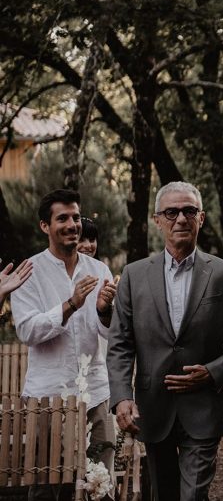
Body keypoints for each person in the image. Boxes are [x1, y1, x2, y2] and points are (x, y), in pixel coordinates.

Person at [106, 181, 223, 501]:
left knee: (192, 496)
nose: (181, 219)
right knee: (164, 494)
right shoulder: (133, 275)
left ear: (201, 218)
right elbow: (120, 343)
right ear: (157, 219)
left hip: (203, 407)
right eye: (171, 212)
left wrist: (214, 371)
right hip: (153, 406)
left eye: (189, 211)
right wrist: (121, 397)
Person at [10, 189, 118, 500]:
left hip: (95, 393)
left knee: (101, 487)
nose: (72, 224)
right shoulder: (29, 272)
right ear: (45, 226)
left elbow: (110, 333)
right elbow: (28, 331)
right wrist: (70, 304)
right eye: (62, 218)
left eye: (75, 217)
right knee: (47, 489)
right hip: (48, 395)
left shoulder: (99, 271)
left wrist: (103, 309)